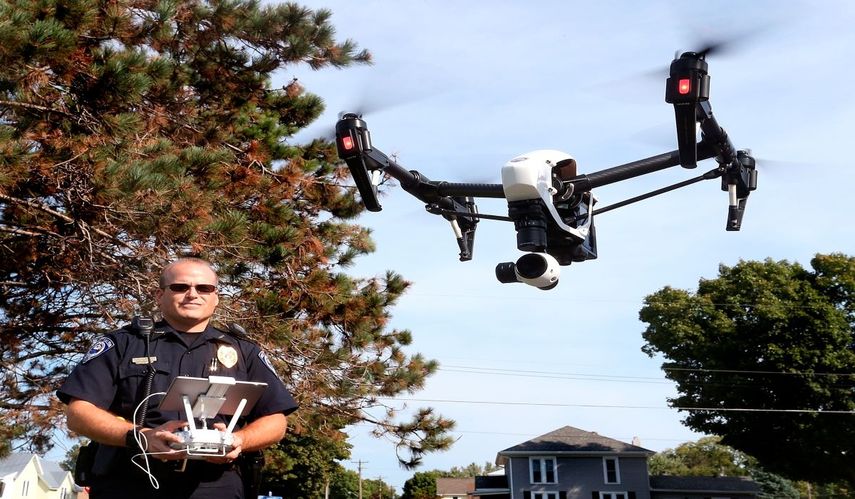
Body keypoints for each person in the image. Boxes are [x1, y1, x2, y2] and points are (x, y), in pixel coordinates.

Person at [57, 257, 298, 499]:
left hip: (216, 486)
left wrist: (239, 440)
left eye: (204, 288)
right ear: (160, 295)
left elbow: (275, 420)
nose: (192, 294)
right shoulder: (123, 344)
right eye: (180, 287)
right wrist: (142, 437)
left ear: (216, 298)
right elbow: (78, 413)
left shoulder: (245, 352)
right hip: (130, 481)